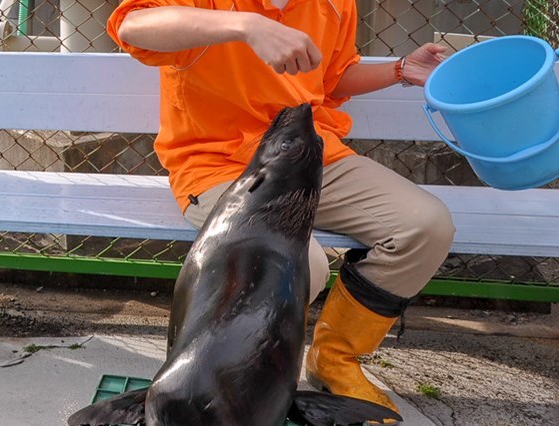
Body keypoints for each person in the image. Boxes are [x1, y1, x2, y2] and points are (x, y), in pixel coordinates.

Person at [107, 0, 455, 422]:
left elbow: (332, 75)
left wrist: (400, 70)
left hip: (309, 159)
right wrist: (246, 26)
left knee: (425, 226)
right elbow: (134, 26)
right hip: (221, 167)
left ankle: (335, 359)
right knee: (302, 265)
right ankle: (220, 385)